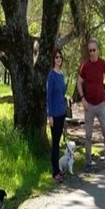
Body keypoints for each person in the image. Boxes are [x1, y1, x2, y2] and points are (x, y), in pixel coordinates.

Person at [76, 38, 105, 173]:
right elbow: (79, 82)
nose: (92, 53)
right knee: (88, 135)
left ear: (98, 50)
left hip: (101, 104)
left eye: (94, 50)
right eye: (90, 50)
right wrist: (82, 99)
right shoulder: (85, 65)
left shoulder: (102, 63)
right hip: (89, 105)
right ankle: (88, 163)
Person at [47, 48, 67, 183]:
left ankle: (58, 170)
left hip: (62, 113)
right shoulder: (51, 76)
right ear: (53, 60)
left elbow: (62, 94)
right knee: (54, 144)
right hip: (54, 115)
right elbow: (48, 96)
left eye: (60, 57)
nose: (58, 59)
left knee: (58, 142)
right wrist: (49, 115)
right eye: (56, 57)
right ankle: (55, 173)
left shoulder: (61, 75)